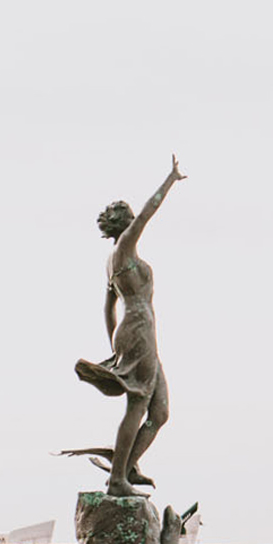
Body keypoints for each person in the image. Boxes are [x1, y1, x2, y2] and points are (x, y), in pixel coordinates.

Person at [74, 156, 186, 498]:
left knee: (160, 411)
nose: (135, 221)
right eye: (131, 219)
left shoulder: (113, 262)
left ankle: (126, 466)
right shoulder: (123, 249)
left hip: (136, 334)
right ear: (124, 225)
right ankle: (118, 480)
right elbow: (148, 215)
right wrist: (170, 180)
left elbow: (107, 307)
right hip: (138, 332)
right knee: (138, 406)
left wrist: (114, 344)